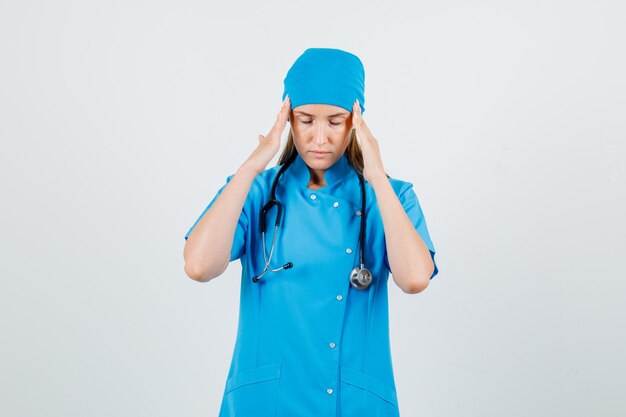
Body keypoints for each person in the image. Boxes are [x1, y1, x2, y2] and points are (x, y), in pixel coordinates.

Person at [183, 47, 438, 417]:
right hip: (264, 403)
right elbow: (198, 266)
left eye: (335, 122)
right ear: (287, 117)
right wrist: (252, 165)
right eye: (305, 120)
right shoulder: (256, 193)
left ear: (356, 120)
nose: (320, 138)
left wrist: (377, 177)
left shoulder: (392, 197)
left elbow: (415, 279)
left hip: (353, 404)